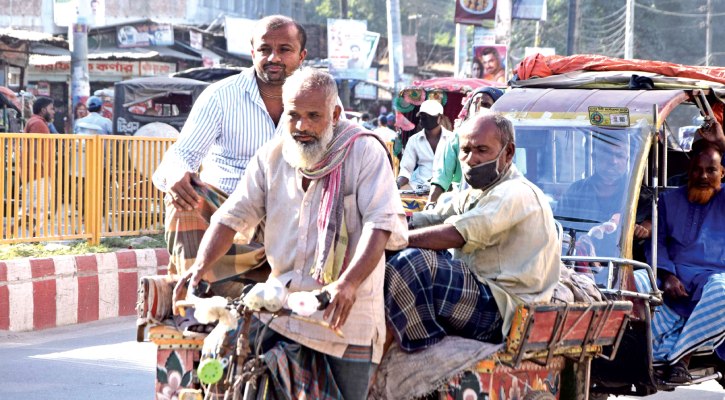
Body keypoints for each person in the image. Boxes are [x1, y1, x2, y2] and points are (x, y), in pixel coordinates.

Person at [173, 67, 407, 399]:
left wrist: (348, 283)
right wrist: (199, 268)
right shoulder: (273, 154)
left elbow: (380, 224)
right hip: (281, 310)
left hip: (343, 317)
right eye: (294, 115)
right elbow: (230, 217)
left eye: (314, 116)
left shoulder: (364, 151)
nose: (301, 126)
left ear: (336, 114)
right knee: (227, 371)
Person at [152, 15, 308, 287]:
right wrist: (176, 174)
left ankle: (229, 287)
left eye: (284, 49)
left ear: (301, 55)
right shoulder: (220, 96)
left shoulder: (318, 97)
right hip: (226, 208)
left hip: (292, 215)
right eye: (264, 50)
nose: (273, 58)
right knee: (186, 198)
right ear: (252, 53)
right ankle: (194, 295)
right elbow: (180, 156)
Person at [385, 112, 560, 352]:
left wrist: (398, 240)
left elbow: (458, 233)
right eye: (465, 150)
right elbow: (430, 218)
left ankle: (425, 347)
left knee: (414, 262)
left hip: (504, 308)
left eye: (482, 150)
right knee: (393, 255)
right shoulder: (474, 194)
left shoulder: (516, 193)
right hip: (479, 294)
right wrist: (384, 229)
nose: (471, 159)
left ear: (508, 153)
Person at [634, 119, 725, 384]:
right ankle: (655, 356)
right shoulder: (670, 199)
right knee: (635, 281)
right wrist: (667, 275)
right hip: (673, 282)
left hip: (712, 283)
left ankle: (678, 357)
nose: (704, 176)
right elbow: (657, 242)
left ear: (722, 173)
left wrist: (721, 142)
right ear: (689, 170)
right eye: (698, 170)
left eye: (711, 170)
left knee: (723, 290)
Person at [427, 87, 504, 206]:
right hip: (463, 203)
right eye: (475, 103)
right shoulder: (457, 137)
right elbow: (441, 177)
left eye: (485, 104)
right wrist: (431, 204)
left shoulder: (505, 140)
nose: (478, 108)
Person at [396, 100, 453, 190]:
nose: (425, 118)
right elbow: (406, 170)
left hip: (447, 187)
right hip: (419, 186)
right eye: (422, 115)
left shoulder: (453, 139)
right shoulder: (414, 140)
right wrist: (397, 185)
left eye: (430, 116)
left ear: (440, 118)